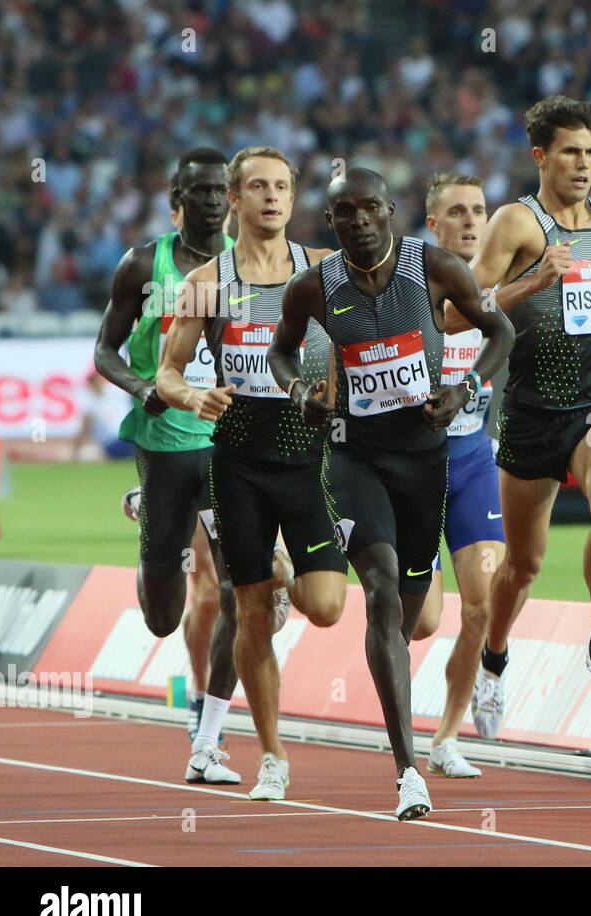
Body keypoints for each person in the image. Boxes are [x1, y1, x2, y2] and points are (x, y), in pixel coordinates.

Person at [269, 167, 514, 820]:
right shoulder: (313, 288)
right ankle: (408, 770)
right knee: (379, 589)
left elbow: (501, 332)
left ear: (391, 210)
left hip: (425, 461)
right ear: (331, 221)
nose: (357, 219)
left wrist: (466, 390)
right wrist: (301, 394)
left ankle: (411, 721)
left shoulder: (429, 266)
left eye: (369, 207)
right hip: (355, 456)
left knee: (413, 615)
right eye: (343, 211)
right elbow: (282, 355)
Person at [158, 146, 349, 799]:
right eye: (259, 187)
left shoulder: (326, 271)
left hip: (306, 462)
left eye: (284, 188)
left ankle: (287, 572)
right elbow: (167, 372)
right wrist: (191, 397)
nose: (273, 197)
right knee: (249, 611)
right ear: (234, 200)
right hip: (237, 459)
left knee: (325, 608)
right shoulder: (207, 282)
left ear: (294, 200)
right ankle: (272, 756)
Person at [467, 96, 591, 739]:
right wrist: (534, 282)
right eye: (570, 151)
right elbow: (464, 309)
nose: (583, 163)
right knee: (523, 564)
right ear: (541, 156)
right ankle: (494, 659)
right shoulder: (516, 222)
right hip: (532, 411)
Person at [93, 148, 239, 772]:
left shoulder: (255, 267)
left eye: (219, 190)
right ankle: (149, 514)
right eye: (199, 191)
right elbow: (104, 350)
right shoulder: (142, 265)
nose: (211, 200)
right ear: (177, 199)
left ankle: (208, 740)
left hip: (231, 449)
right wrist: (144, 387)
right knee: (162, 615)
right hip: (164, 444)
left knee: (240, 590)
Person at [408, 173, 505, 779]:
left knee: (482, 605)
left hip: (472, 460)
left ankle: (446, 736)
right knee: (423, 621)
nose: (471, 221)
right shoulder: (412, 286)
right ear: (433, 224)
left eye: (479, 210)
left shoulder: (495, 282)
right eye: (458, 212)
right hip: (414, 466)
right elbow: (455, 317)